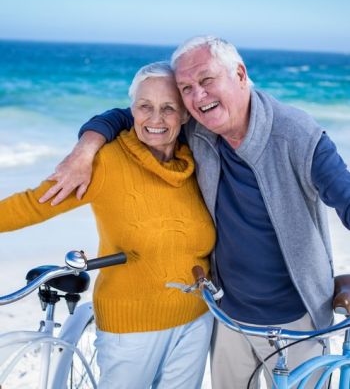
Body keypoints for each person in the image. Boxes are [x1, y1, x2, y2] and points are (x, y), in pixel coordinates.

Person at [39, 36, 350, 388]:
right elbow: (126, 116)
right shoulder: (198, 127)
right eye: (186, 87)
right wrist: (85, 150)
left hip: (300, 320)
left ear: (240, 73)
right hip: (229, 318)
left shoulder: (299, 136)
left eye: (206, 80)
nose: (198, 96)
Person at [0, 61, 216, 389]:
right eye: (145, 106)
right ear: (132, 111)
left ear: (185, 114)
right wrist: (86, 147)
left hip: (196, 322)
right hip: (130, 331)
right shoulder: (105, 162)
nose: (155, 119)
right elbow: (33, 205)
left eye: (168, 108)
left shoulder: (197, 160)